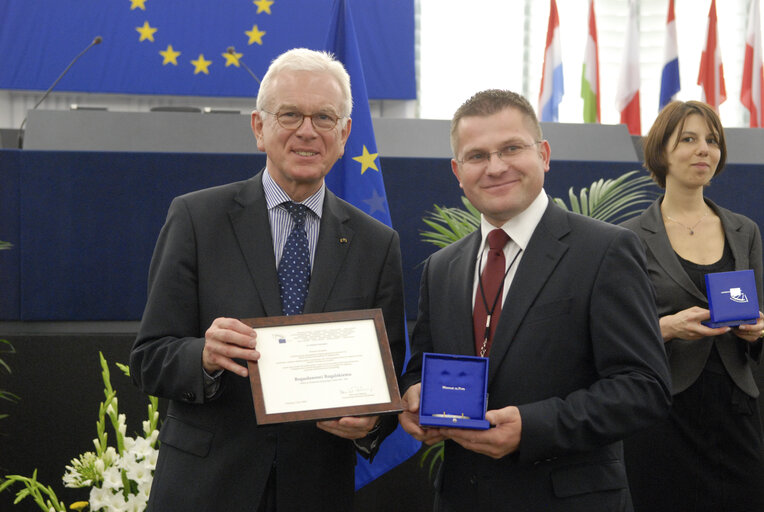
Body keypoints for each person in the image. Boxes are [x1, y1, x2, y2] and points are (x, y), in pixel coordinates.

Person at [129, 48, 406, 512]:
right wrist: (206, 355)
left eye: (324, 117)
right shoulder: (197, 219)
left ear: (344, 135)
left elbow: (387, 377)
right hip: (206, 487)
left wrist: (373, 422)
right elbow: (149, 358)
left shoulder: (377, 244)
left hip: (317, 488)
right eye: (290, 114)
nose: (307, 131)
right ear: (259, 127)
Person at [398, 89, 672, 511]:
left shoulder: (605, 250)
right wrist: (415, 395)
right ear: (457, 170)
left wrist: (533, 426)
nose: (495, 167)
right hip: (460, 497)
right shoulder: (441, 267)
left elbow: (644, 388)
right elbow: (422, 366)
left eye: (511, 148)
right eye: (477, 156)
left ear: (543, 154)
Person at [621, 100, 764, 512]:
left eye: (711, 140)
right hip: (663, 410)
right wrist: (666, 327)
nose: (704, 149)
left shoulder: (744, 231)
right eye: (688, 139)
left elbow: (758, 317)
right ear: (661, 151)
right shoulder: (628, 237)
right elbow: (618, 335)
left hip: (736, 408)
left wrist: (757, 330)